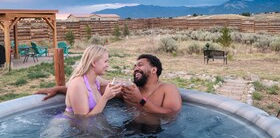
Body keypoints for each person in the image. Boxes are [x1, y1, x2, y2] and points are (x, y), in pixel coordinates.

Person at [36, 54, 181, 115]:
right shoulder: (128, 90)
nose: (135, 68)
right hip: (129, 129)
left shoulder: (167, 89)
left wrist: (140, 100)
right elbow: (91, 89)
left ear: (154, 70)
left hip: (157, 132)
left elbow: (171, 114)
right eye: (135, 66)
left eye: (140, 65)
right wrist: (58, 89)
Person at [63, 45, 121, 116]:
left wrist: (128, 84)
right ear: (94, 63)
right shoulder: (78, 85)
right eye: (105, 61)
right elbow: (83, 122)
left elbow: (112, 82)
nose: (107, 65)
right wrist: (105, 97)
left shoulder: (96, 80)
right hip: (67, 124)